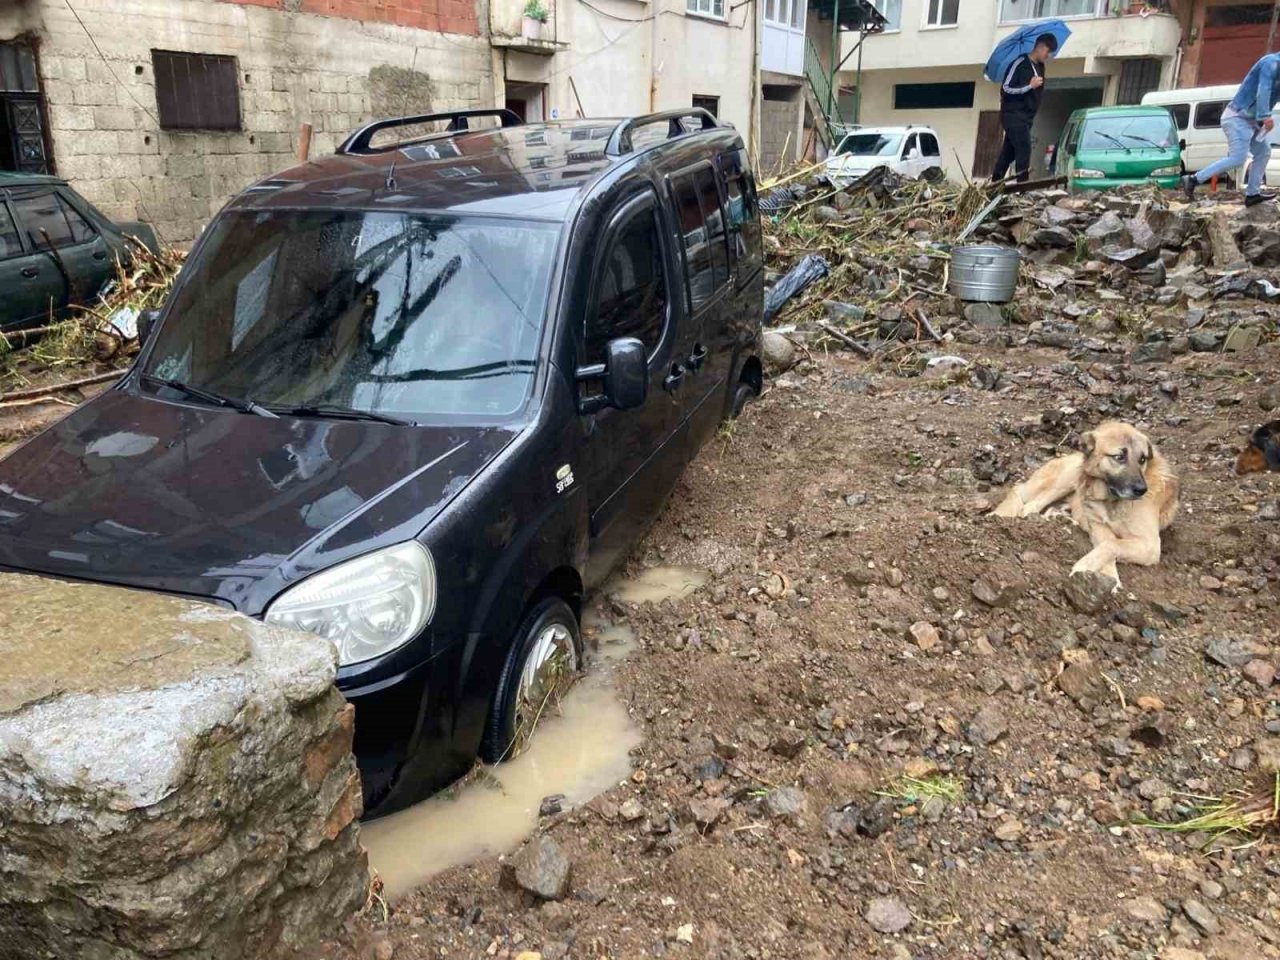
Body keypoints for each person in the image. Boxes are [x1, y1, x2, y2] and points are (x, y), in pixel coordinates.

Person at [1183, 52, 1280, 207]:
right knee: (1238, 158)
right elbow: (1264, 90)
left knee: (1263, 152)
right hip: (1237, 118)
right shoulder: (1271, 63)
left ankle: (1252, 194)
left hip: (1251, 121)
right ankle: (1194, 179)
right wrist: (1265, 116)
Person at [992, 33, 1059, 184]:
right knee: (1024, 149)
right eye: (1048, 51)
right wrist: (1029, 86)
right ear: (1040, 47)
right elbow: (1006, 88)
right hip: (1013, 114)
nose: (1048, 55)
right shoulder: (1020, 63)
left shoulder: (1040, 67)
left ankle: (994, 184)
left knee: (1008, 153)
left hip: (1027, 116)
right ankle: (1022, 187)